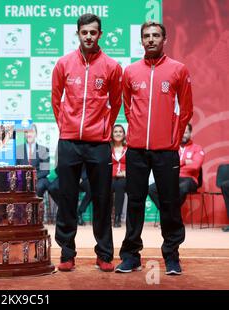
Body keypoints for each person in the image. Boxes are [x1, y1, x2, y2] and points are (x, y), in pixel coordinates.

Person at [116, 22, 193, 276]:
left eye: (156, 36)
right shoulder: (130, 72)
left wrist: (173, 139)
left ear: (164, 39)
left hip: (166, 150)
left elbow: (186, 109)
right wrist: (136, 131)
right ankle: (130, 256)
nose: (151, 40)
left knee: (169, 203)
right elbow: (128, 108)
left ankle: (171, 256)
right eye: (146, 36)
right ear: (141, 41)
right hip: (136, 149)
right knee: (135, 202)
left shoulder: (178, 70)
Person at [51, 13, 122, 272]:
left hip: (99, 143)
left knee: (102, 198)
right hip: (69, 141)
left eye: (93, 32)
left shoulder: (112, 66)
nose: (89, 36)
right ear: (78, 34)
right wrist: (66, 127)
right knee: (67, 198)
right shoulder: (63, 63)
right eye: (84, 32)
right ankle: (67, 253)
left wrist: (103, 128)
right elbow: (56, 99)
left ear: (100, 34)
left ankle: (104, 254)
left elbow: (116, 102)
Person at [148, 123, 204, 210]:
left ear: (190, 133)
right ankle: (167, 212)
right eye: (181, 133)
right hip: (172, 178)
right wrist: (184, 162)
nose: (182, 135)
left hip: (189, 179)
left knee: (181, 188)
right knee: (151, 189)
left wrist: (175, 165)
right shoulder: (172, 148)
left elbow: (195, 166)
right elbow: (166, 165)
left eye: (185, 133)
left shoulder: (197, 148)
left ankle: (171, 213)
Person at [16, 124, 50, 198]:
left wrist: (32, 178)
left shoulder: (43, 150)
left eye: (31, 132)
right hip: (23, 179)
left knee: (39, 186)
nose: (29, 134)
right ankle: (22, 208)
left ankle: (36, 208)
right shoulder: (19, 149)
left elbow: (45, 171)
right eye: (27, 132)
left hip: (39, 179)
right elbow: (16, 168)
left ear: (36, 134)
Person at [111, 124, 127, 228]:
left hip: (124, 178)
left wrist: (126, 172)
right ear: (112, 134)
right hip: (110, 177)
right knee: (107, 186)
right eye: (115, 131)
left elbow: (133, 164)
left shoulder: (128, 149)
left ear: (124, 134)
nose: (118, 133)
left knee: (120, 185)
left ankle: (117, 217)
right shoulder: (108, 148)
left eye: (120, 132)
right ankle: (106, 217)